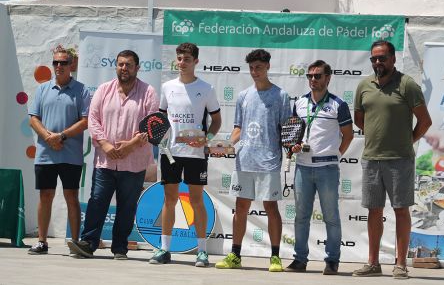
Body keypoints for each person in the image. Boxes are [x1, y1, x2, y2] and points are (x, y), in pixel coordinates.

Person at [68, 50, 159, 260]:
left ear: (137, 67)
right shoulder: (103, 90)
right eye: (120, 64)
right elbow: (93, 119)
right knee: (97, 201)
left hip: (134, 161)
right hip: (105, 159)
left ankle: (120, 248)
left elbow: (152, 123)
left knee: (127, 206)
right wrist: (105, 144)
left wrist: (132, 144)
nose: (124, 68)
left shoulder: (148, 92)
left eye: (128, 65)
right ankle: (88, 243)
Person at [352, 40, 432, 279]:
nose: (378, 62)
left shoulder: (407, 84)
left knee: (400, 211)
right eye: (374, 58)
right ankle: (373, 263)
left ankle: (400, 265)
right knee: (374, 211)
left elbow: (425, 121)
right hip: (372, 159)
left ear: (393, 59)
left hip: (400, 160)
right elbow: (359, 119)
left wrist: (408, 141)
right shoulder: (364, 85)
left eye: (382, 58)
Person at [215, 49, 291, 272]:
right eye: (251, 68)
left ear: (267, 66)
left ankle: (275, 257)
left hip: (269, 161)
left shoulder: (281, 96)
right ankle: (235, 255)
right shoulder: (243, 96)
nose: (255, 71)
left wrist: (291, 147)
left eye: (259, 67)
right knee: (241, 207)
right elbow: (239, 127)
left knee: (271, 207)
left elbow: (286, 130)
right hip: (244, 160)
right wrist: (229, 143)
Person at [149, 42, 221, 267]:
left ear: (196, 62)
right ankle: (164, 249)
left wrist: (206, 140)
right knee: (170, 200)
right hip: (171, 152)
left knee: (197, 201)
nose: (182, 63)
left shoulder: (207, 88)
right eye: (179, 59)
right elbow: (160, 119)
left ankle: (202, 252)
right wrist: (159, 138)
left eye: (187, 59)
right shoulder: (167, 86)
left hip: (196, 154)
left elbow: (216, 120)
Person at [285, 60, 353, 274]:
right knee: (301, 217)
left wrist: (336, 155)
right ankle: (300, 260)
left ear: (328, 78)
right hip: (302, 167)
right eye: (310, 76)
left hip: (327, 169)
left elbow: (349, 135)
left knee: (331, 216)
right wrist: (294, 146)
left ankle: (332, 260)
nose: (313, 80)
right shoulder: (299, 103)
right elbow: (294, 132)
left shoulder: (338, 104)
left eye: (318, 76)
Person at [28, 46, 90, 255]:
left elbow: (85, 121)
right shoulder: (42, 89)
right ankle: (42, 241)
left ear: (71, 65)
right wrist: (48, 137)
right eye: (55, 62)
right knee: (45, 195)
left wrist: (61, 136)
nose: (59, 66)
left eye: (63, 63)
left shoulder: (81, 90)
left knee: (71, 195)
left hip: (70, 155)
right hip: (45, 154)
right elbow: (33, 118)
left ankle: (75, 242)